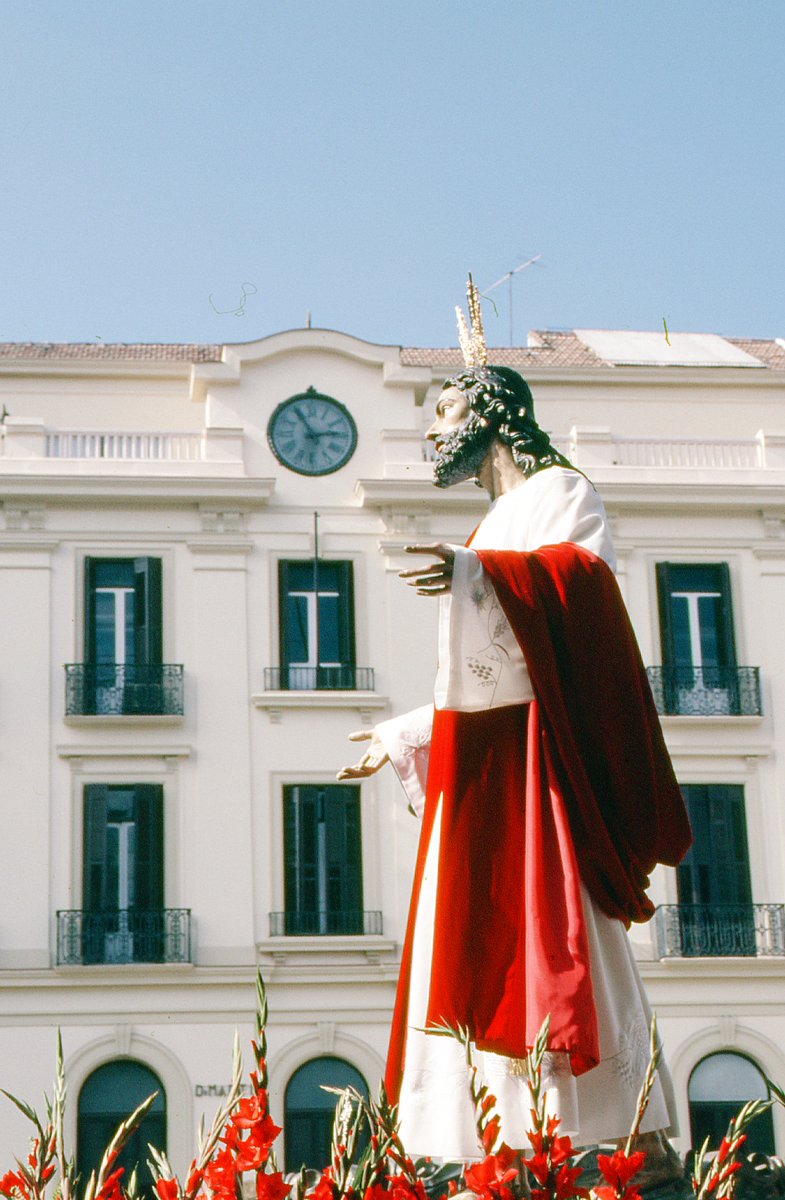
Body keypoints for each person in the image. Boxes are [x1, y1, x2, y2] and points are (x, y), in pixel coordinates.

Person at [338, 286, 692, 1175]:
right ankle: (492, 1151)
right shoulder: (490, 523)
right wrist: (412, 732)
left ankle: (609, 1141)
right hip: (490, 768)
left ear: (492, 412)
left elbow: (580, 592)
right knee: (473, 941)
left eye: (444, 408)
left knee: (557, 934)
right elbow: (487, 678)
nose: (429, 431)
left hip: (540, 779)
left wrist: (476, 573)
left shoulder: (560, 492)